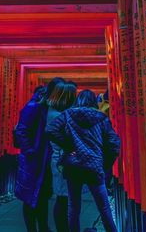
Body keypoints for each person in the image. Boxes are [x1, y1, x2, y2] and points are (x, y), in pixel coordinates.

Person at [46, 89, 121, 232]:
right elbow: (114, 144)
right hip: (94, 167)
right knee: (104, 208)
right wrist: (105, 164)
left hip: (73, 166)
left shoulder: (67, 115)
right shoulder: (101, 117)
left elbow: (51, 130)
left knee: (74, 208)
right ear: (93, 101)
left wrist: (68, 146)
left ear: (78, 100)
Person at [15, 77, 65, 232]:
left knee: (42, 196)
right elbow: (21, 130)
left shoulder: (49, 107)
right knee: (30, 196)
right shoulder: (34, 107)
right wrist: (30, 151)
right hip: (34, 160)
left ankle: (43, 227)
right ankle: (32, 229)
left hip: (45, 160)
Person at [46, 81, 77, 232]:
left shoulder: (54, 112)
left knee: (63, 198)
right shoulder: (57, 116)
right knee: (63, 198)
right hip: (61, 160)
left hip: (61, 159)